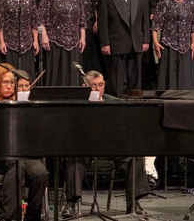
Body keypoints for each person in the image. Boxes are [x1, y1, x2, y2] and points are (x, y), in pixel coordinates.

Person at [62, 70, 152, 217]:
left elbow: (124, 128)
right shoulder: (77, 104)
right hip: (85, 149)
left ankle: (133, 203)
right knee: (74, 156)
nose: (98, 89)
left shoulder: (114, 102)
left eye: (101, 85)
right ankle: (71, 204)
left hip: (110, 148)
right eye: (94, 86)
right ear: (84, 87)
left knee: (135, 155)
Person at [0, 63, 48, 221]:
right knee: (17, 165)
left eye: (12, 82)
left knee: (40, 172)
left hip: (19, 153)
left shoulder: (19, 102)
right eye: (5, 82)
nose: (10, 86)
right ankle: (8, 217)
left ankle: (33, 216)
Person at [98, 0, 150, 96]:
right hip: (116, 41)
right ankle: (117, 103)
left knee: (135, 77)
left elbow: (144, 19)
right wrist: (105, 42)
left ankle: (134, 105)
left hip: (135, 41)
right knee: (116, 77)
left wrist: (146, 40)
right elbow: (102, 22)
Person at [39, 0, 86, 86]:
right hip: (54, 41)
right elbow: (41, 18)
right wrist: (44, 36)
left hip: (74, 42)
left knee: (73, 74)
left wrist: (83, 37)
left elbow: (82, 20)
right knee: (56, 74)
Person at [151, 0, 194, 90]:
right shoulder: (164, 2)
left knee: (185, 78)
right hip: (168, 45)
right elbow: (155, 25)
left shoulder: (191, 4)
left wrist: (193, 43)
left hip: (186, 47)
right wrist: (155, 43)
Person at [0, 0, 39, 79]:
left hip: (27, 42)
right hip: (10, 42)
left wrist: (35, 40)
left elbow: (34, 21)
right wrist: (1, 42)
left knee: (27, 73)